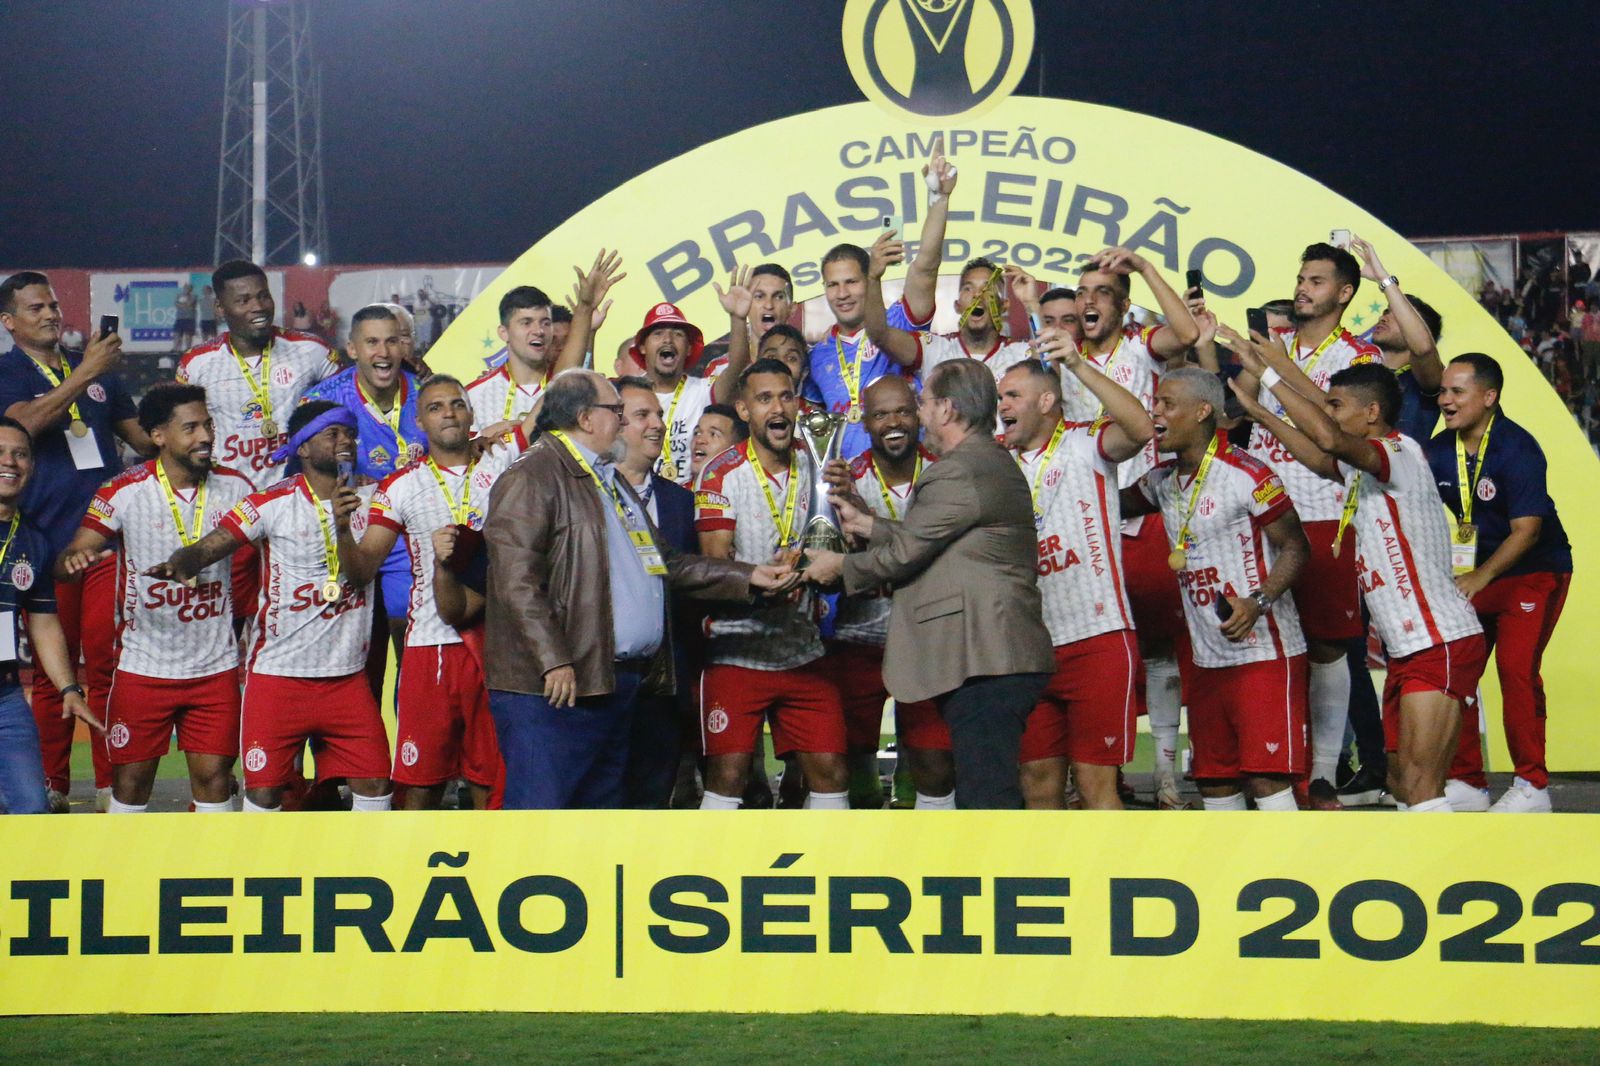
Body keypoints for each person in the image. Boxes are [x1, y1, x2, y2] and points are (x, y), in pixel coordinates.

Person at [484, 370, 793, 809]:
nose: (625, 422)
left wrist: (749, 576)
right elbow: (516, 581)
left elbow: (665, 562)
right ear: (586, 418)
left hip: (611, 682)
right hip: (552, 690)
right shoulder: (533, 475)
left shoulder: (606, 478)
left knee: (601, 821)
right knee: (544, 817)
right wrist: (553, 660)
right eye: (617, 411)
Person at [1231, 360, 1487, 813]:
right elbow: (1317, 457)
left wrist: (1270, 375)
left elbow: (1327, 440)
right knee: (1403, 785)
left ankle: (1444, 857)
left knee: (1421, 784)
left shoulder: (1397, 453)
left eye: (1335, 405)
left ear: (1372, 412)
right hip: (1409, 646)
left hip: (1438, 639)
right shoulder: (1362, 468)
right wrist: (1262, 414)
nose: (1328, 414)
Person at [804, 359, 1055, 809]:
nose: (918, 414)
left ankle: (1002, 858)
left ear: (947, 409)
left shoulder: (957, 470)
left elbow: (906, 555)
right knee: (985, 787)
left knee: (986, 796)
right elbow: (939, 540)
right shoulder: (982, 461)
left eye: (922, 403)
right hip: (992, 656)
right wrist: (870, 525)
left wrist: (839, 566)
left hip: (988, 659)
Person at [151, 401, 391, 813]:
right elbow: (214, 543)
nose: (346, 441)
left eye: (350, 433)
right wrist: (182, 562)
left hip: (346, 677)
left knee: (375, 786)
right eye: (333, 433)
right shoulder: (271, 502)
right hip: (278, 678)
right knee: (263, 794)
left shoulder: (376, 497)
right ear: (302, 447)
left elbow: (361, 573)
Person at [53, 384, 254, 814]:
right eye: (191, 428)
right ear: (158, 435)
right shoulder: (122, 491)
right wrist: (75, 560)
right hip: (143, 668)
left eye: (208, 425)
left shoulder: (237, 487)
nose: (206, 436)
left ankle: (212, 858)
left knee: (215, 781)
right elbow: (71, 555)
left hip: (214, 669)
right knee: (130, 784)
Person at [1231, 242, 1381, 809]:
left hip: (1323, 510)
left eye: (1316, 281)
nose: (1302, 288)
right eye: (1300, 278)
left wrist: (1274, 370)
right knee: (1265, 645)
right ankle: (1271, 768)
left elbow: (1337, 424)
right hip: (1258, 513)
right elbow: (1241, 413)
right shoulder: (1275, 345)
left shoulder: (1359, 356)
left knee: (1326, 645)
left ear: (1344, 293)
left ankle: (1321, 775)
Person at [1121, 369, 1312, 812]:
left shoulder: (1248, 473)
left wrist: (1258, 601)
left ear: (1202, 411)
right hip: (1207, 660)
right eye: (1155, 403)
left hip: (1263, 654)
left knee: (1266, 780)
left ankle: (1291, 857)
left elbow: (1297, 547)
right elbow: (1105, 500)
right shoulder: (1161, 480)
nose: (1155, 412)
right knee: (1215, 784)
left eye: (1167, 404)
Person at [0, 271, 152, 812]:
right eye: (36, 308)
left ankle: (110, 785)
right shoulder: (8, 373)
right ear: (9, 321)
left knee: (109, 665)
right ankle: (52, 783)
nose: (50, 314)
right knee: (51, 672)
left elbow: (142, 438)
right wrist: (87, 371)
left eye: (53, 305)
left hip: (105, 541)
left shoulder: (97, 371)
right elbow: (23, 424)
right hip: (42, 545)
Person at [348, 376, 529, 809]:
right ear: (419, 422)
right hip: (430, 646)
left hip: (497, 645)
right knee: (420, 785)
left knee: (490, 781)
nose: (448, 413)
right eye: (435, 407)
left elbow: (551, 405)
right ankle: (412, 857)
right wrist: (339, 530)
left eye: (456, 404)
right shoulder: (398, 486)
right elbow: (364, 566)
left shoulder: (502, 461)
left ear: (471, 414)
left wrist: (512, 424)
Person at [1068, 247, 1202, 809]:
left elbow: (1188, 332)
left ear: (1124, 307)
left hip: (1141, 518)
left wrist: (1145, 268)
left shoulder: (1140, 346)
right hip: (1081, 522)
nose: (1090, 301)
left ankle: (1166, 773)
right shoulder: (1061, 354)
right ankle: (1099, 776)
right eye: (1083, 292)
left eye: (1102, 292)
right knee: (1092, 653)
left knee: (1158, 652)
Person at [999, 342, 1155, 811]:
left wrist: (1077, 364)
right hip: (1028, 646)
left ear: (1046, 401)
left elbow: (1141, 428)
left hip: (1097, 638)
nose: (1002, 406)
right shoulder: (995, 462)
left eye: (1012, 396)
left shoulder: (1086, 443)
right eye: (1000, 397)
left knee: (1095, 786)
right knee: (1036, 785)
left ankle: (1108, 864)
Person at [693, 360, 851, 809]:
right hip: (736, 650)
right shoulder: (720, 473)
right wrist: (765, 579)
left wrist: (848, 500)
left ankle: (827, 856)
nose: (778, 408)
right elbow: (716, 566)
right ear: (744, 410)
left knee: (832, 773)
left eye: (786, 396)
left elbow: (842, 540)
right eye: (764, 399)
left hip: (802, 648)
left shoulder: (818, 460)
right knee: (729, 776)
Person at [1428, 354, 1572, 812]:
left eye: (1457, 391)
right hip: (1478, 575)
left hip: (1534, 572)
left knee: (1515, 671)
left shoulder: (1517, 448)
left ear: (1489, 397)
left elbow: (1527, 531)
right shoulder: (1438, 450)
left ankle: (1532, 786)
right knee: (1458, 671)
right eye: (1443, 391)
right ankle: (1468, 782)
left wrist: (1480, 576)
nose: (1445, 400)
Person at [820, 374, 955, 809]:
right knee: (852, 769)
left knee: (934, 765)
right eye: (880, 414)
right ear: (864, 422)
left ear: (919, 414)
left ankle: (920, 826)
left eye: (902, 411)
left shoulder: (946, 471)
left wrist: (868, 523)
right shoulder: (844, 478)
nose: (893, 422)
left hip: (927, 641)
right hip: (860, 637)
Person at [806, 140, 956, 458]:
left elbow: (926, 267)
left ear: (869, 278)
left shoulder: (899, 321)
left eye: (852, 282)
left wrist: (939, 200)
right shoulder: (817, 355)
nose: (842, 294)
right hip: (848, 478)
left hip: (907, 470)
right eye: (833, 285)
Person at [0, 416, 103, 814]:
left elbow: (43, 622)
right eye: (0, 452)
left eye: (20, 454)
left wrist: (69, 689)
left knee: (32, 810)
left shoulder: (33, 539)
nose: (10, 462)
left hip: (5, 699)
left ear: (31, 466)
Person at [614, 377, 700, 807]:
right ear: (613, 424)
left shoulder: (680, 502)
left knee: (653, 802)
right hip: (604, 681)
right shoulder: (586, 494)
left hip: (665, 682)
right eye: (643, 415)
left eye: (660, 415)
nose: (658, 424)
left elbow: (690, 579)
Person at [178, 260, 338, 486]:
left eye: (264, 296)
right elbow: (182, 432)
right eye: (244, 300)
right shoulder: (196, 363)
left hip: (298, 494)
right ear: (220, 308)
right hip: (228, 496)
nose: (258, 306)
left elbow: (349, 410)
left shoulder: (312, 350)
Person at [467, 251, 620, 439]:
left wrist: (585, 307)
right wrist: (481, 437)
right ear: (503, 332)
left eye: (545, 323)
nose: (539, 330)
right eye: (526, 322)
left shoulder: (569, 385)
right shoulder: (475, 395)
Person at [634, 271, 754, 485]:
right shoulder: (628, 394)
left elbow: (737, 366)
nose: (668, 339)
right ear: (642, 347)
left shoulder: (703, 392)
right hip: (637, 496)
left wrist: (737, 319)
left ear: (689, 348)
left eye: (678, 334)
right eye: (658, 333)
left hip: (692, 498)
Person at [864, 253, 1033, 384]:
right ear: (957, 305)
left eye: (988, 289)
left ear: (1004, 306)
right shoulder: (934, 349)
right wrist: (872, 279)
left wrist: (1032, 303)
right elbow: (880, 335)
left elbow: (1048, 369)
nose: (978, 295)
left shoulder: (1021, 354)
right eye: (968, 288)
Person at [1349, 236, 1446, 442]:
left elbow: (1423, 349)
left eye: (1397, 315)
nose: (1384, 317)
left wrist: (1382, 279)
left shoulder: (1425, 381)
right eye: (1386, 311)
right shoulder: (1358, 370)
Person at [689, 404, 743, 482]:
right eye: (697, 433)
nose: (699, 440)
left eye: (713, 434)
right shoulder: (676, 489)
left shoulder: (749, 488)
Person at [172, 282, 197, 354]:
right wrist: (184, 305)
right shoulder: (179, 295)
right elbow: (176, 304)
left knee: (188, 335)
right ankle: (176, 348)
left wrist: (182, 304)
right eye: (186, 288)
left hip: (189, 318)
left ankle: (188, 349)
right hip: (180, 318)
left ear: (191, 289)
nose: (187, 289)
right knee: (177, 334)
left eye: (189, 288)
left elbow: (190, 303)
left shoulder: (193, 296)